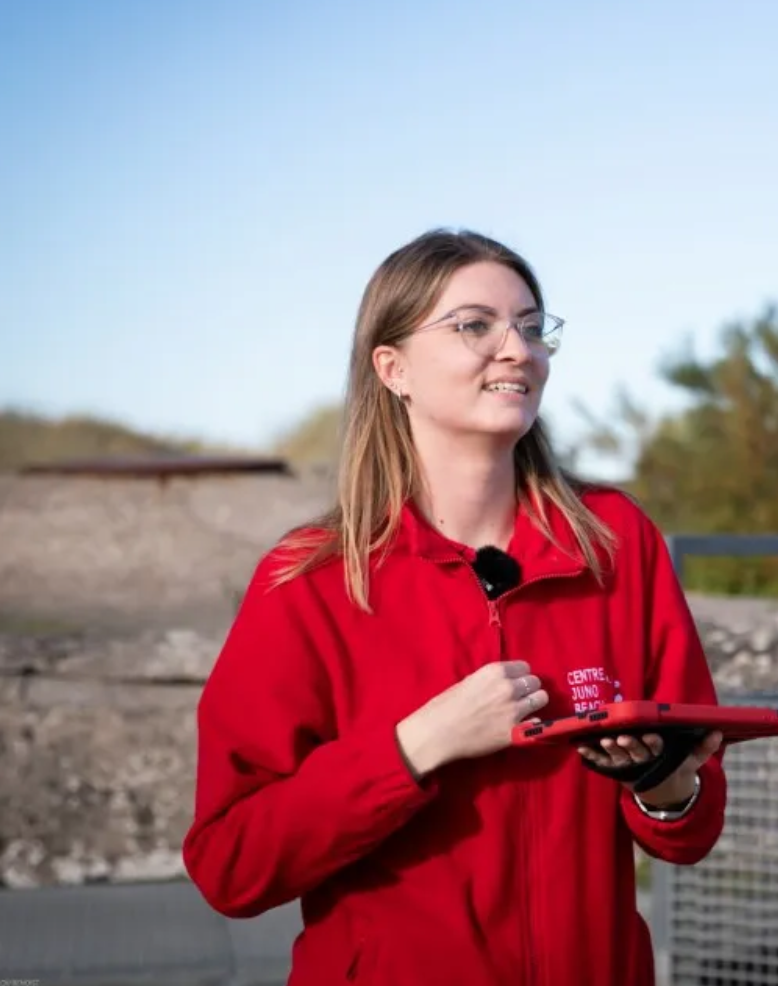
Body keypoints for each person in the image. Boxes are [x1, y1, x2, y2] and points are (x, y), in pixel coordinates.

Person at [183, 228, 726, 985]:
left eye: (533, 328)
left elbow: (689, 831)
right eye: (476, 325)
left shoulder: (615, 542)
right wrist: (411, 748)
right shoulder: (308, 580)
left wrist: (664, 787)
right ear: (393, 367)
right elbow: (230, 865)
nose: (518, 349)